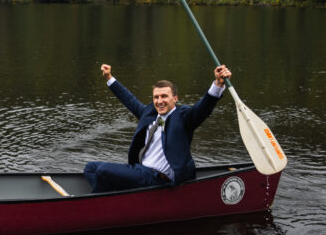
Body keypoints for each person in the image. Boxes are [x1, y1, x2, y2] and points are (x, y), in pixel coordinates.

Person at [83, 63, 231, 193]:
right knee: (90, 168)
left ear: (175, 98)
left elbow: (204, 107)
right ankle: (113, 198)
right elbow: (128, 99)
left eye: (164, 96)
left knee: (103, 171)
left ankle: (100, 202)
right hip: (141, 170)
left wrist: (218, 84)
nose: (159, 101)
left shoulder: (184, 118)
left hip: (158, 177)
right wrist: (109, 78)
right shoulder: (150, 113)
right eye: (156, 97)